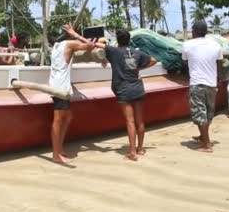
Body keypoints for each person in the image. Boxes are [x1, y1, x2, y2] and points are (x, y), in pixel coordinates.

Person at [94, 29, 158, 161]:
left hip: (124, 89)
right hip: (138, 88)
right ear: (129, 40)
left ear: (118, 40)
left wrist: (74, 34)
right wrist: (138, 68)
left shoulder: (114, 51)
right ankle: (140, 148)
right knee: (139, 120)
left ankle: (132, 152)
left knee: (130, 121)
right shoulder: (137, 52)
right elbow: (153, 60)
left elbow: (96, 45)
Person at [49, 24, 97, 164]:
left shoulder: (56, 46)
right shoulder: (69, 43)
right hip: (61, 87)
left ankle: (59, 149)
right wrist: (75, 34)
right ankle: (56, 154)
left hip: (57, 84)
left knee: (67, 117)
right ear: (69, 34)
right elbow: (90, 45)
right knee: (58, 121)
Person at [182, 21, 223, 153]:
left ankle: (207, 145)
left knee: (200, 113)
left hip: (197, 83)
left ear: (194, 32)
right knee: (208, 114)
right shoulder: (216, 45)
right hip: (212, 84)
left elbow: (184, 63)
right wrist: (218, 80)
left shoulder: (187, 45)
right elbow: (219, 64)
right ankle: (202, 136)